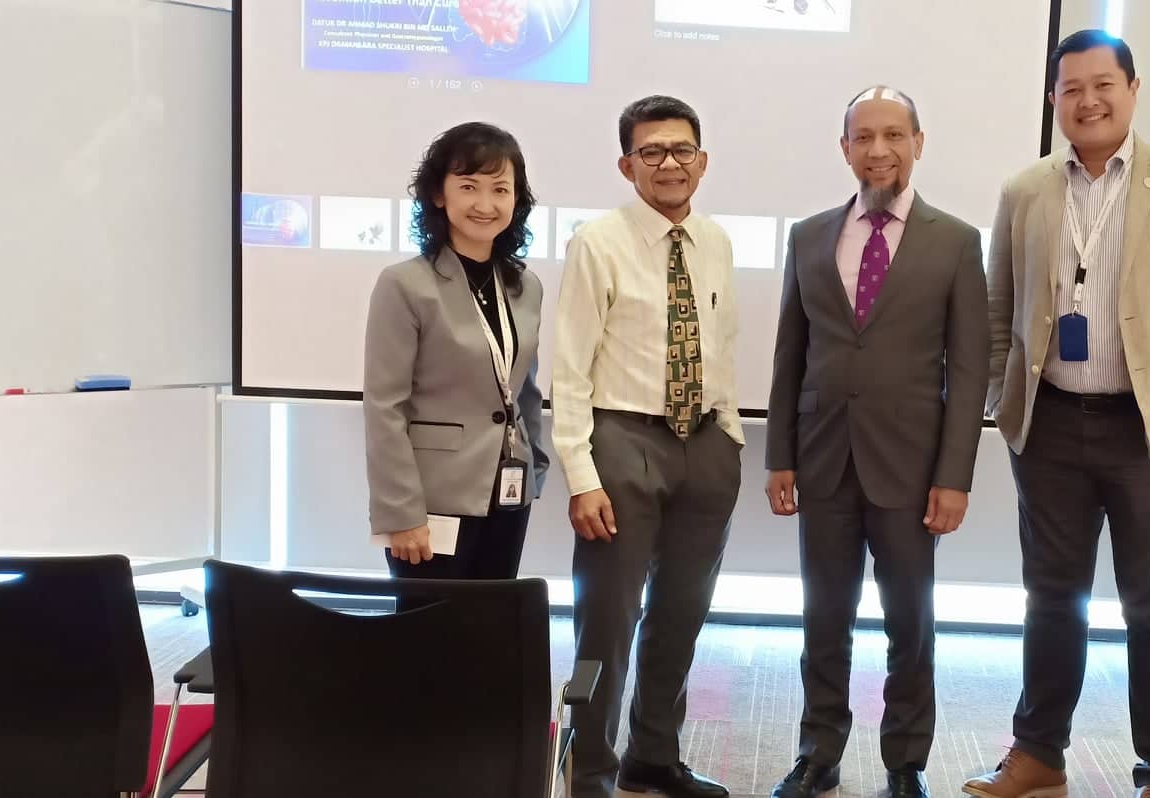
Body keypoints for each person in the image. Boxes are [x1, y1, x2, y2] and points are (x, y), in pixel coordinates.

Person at [966, 30, 1150, 798]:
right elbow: (998, 310)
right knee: (1051, 601)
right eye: (1072, 89)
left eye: (1104, 85)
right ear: (1053, 100)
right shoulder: (1025, 190)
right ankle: (1038, 755)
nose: (1088, 101)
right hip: (1051, 428)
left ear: (1132, 90)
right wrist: (1001, 400)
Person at [765, 86, 988, 798]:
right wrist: (780, 455)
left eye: (894, 135)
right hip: (824, 459)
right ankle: (818, 752)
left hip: (911, 469)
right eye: (863, 137)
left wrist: (954, 476)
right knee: (823, 619)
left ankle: (905, 763)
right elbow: (790, 355)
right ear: (845, 148)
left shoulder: (956, 242)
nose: (879, 150)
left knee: (909, 624)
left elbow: (969, 370)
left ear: (919, 143)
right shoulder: (809, 236)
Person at [552, 95, 744, 798]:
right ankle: (590, 773)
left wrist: (728, 434)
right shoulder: (596, 242)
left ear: (702, 161)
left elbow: (721, 345)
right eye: (652, 151)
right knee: (606, 623)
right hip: (622, 442)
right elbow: (568, 369)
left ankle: (653, 757)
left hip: (705, 446)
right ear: (626, 164)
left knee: (679, 616)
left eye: (682, 150)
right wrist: (581, 474)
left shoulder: (716, 242)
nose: (669, 163)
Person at [362, 122, 549, 588]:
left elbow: (522, 386)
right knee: (429, 626)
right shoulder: (405, 284)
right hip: (431, 502)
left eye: (500, 189)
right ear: (438, 194)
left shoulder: (525, 287)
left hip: (508, 495)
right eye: (468, 186)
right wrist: (400, 512)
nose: (485, 204)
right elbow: (385, 407)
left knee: (493, 622)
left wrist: (535, 467)